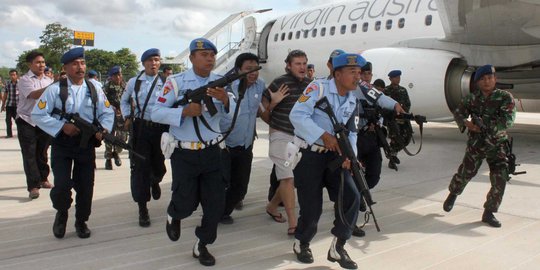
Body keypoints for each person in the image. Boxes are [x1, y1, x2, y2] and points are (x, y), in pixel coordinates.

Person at [151, 38, 235, 266]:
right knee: (185, 202)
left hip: (213, 152)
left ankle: (202, 245)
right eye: (204, 54)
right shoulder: (175, 82)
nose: (210, 58)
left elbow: (231, 112)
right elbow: (155, 112)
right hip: (185, 153)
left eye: (212, 55)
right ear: (191, 58)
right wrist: (183, 112)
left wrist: (226, 99)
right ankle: (174, 214)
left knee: (215, 205)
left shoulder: (220, 82)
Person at [289, 52, 364, 269]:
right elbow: (297, 115)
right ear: (337, 74)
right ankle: (302, 242)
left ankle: (338, 246)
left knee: (352, 196)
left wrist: (352, 157)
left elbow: (352, 132)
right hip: (310, 154)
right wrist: (324, 135)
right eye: (352, 72)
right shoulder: (318, 88)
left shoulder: (352, 98)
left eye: (359, 72)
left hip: (335, 157)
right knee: (312, 209)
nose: (357, 77)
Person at [31, 47, 114, 239]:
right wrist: (61, 127)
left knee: (86, 186)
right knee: (61, 185)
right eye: (75, 64)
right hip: (63, 144)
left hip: (86, 145)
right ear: (66, 67)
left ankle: (81, 221)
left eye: (82, 63)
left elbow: (107, 112)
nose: (80, 67)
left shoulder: (95, 88)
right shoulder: (55, 89)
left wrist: (104, 129)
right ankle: (61, 214)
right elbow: (38, 114)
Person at [443, 65, 516, 228]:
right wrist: (467, 124)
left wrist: (487, 127)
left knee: (500, 178)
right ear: (477, 82)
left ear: (495, 79)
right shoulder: (471, 98)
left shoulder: (505, 97)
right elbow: (458, 112)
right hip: (476, 144)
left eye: (490, 77)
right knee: (465, 173)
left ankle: (489, 212)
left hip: (497, 145)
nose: (487, 81)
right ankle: (453, 193)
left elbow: (508, 119)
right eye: (483, 79)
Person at [351, 62, 405, 237]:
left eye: (366, 73)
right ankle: (348, 218)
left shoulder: (366, 87)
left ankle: (358, 194)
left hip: (371, 138)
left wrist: (395, 105)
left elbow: (380, 98)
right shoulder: (344, 87)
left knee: (373, 176)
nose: (363, 76)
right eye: (360, 72)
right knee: (352, 178)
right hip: (354, 137)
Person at [260, 49, 310, 235]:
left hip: (300, 138)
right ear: (288, 66)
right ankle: (293, 223)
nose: (302, 67)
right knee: (288, 178)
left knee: (290, 177)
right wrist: (274, 102)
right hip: (281, 135)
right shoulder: (279, 83)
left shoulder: (309, 85)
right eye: (297, 63)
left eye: (304, 63)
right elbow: (263, 113)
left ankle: (272, 206)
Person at [121, 49, 167, 227]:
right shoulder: (134, 82)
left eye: (156, 60)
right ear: (144, 63)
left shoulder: (166, 81)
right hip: (140, 129)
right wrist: (127, 116)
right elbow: (124, 101)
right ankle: (143, 208)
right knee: (140, 167)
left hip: (161, 129)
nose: (153, 63)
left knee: (159, 166)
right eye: (150, 60)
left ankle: (155, 180)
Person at [219, 53, 265, 224]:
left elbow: (261, 107)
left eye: (256, 69)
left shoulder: (260, 85)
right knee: (222, 183)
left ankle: (227, 206)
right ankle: (220, 213)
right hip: (226, 145)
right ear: (238, 70)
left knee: (241, 187)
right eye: (248, 69)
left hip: (246, 144)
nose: (253, 73)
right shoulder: (227, 86)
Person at [17, 50, 54, 199]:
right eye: (38, 62)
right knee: (29, 153)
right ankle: (33, 186)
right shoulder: (25, 80)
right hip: (27, 120)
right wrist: (53, 86)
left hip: (43, 120)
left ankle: (44, 178)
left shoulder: (48, 80)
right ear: (29, 64)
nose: (41, 65)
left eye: (43, 62)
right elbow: (33, 95)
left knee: (42, 152)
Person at [383, 70, 411, 170]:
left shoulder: (403, 90)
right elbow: (383, 104)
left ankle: (391, 151)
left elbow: (407, 103)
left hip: (403, 118)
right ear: (390, 79)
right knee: (395, 138)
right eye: (395, 78)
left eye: (399, 77)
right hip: (392, 119)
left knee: (407, 137)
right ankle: (392, 159)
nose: (397, 79)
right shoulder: (386, 91)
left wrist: (405, 113)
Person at [103, 65, 128, 170]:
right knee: (109, 137)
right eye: (115, 75)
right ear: (111, 77)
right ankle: (108, 159)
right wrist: (111, 107)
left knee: (122, 139)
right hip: (110, 115)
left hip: (122, 116)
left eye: (119, 74)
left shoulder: (125, 86)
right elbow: (102, 100)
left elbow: (130, 98)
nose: (118, 77)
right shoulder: (107, 87)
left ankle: (116, 153)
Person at [2, 69, 19, 138]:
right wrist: (3, 105)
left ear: (17, 75)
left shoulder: (21, 84)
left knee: (18, 121)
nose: (12, 76)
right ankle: (9, 134)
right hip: (9, 105)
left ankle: (20, 134)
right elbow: (5, 95)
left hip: (18, 106)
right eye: (11, 75)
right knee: (8, 120)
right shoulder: (8, 84)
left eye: (14, 75)